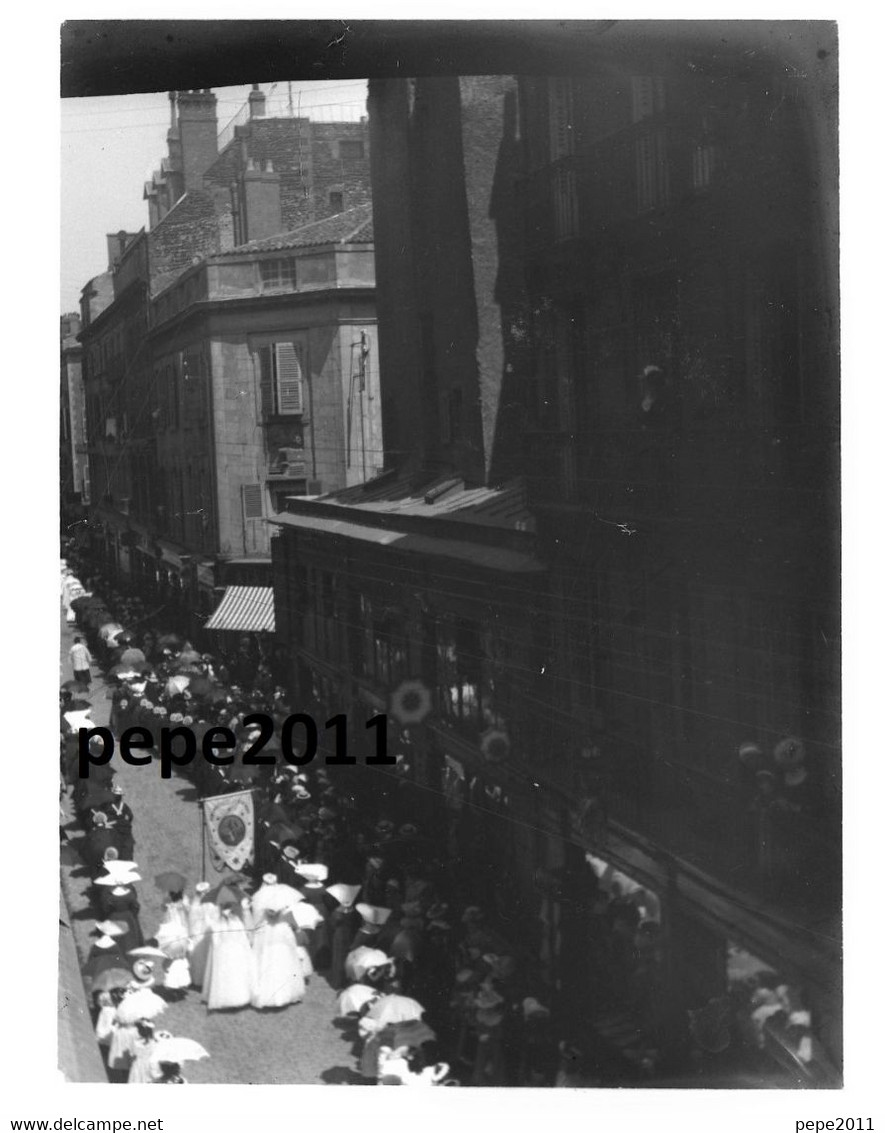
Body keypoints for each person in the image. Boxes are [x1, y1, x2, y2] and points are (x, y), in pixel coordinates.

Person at [201, 894, 256, 1011]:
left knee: (232, 972)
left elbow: (239, 937)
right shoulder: (226, 923)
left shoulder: (230, 922)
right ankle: (233, 998)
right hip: (229, 950)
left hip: (231, 950)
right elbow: (218, 939)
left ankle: (236, 997)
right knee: (229, 973)